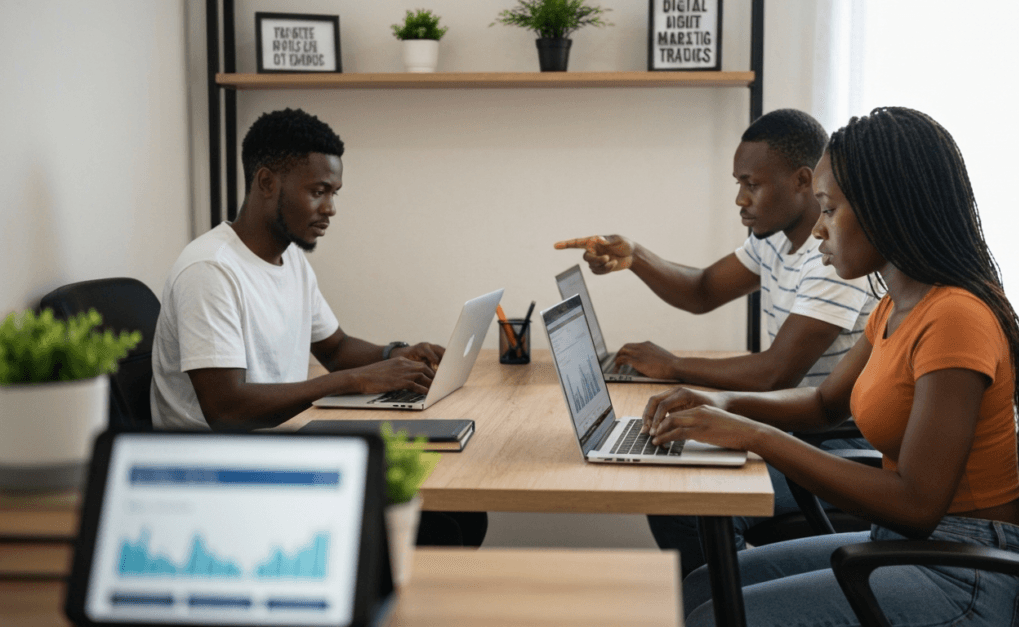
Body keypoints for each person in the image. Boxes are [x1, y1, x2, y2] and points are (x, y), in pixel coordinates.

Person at [645, 106, 1019, 626]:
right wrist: (722, 403)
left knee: (714, 614)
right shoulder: (896, 303)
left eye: (828, 211)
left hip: (964, 572)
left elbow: (917, 504)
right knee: (703, 583)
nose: (819, 231)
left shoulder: (956, 318)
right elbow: (824, 402)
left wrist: (754, 436)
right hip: (907, 543)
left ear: (885, 210)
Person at [555, 108, 876, 577]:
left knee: (682, 499)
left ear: (803, 181)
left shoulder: (834, 259)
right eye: (738, 184)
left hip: (829, 441)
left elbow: (776, 372)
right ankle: (722, 599)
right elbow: (703, 290)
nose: (740, 199)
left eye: (752, 184)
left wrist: (676, 365)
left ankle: (736, 598)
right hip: (791, 420)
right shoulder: (774, 238)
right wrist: (636, 256)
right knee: (674, 469)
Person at [150, 108, 484, 546]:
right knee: (442, 529)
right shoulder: (210, 271)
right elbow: (226, 409)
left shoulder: (289, 261)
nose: (330, 209)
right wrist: (356, 380)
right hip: (224, 476)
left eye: (335, 193)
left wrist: (396, 354)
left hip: (279, 448)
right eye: (319, 191)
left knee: (465, 514)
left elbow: (337, 347)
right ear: (267, 182)